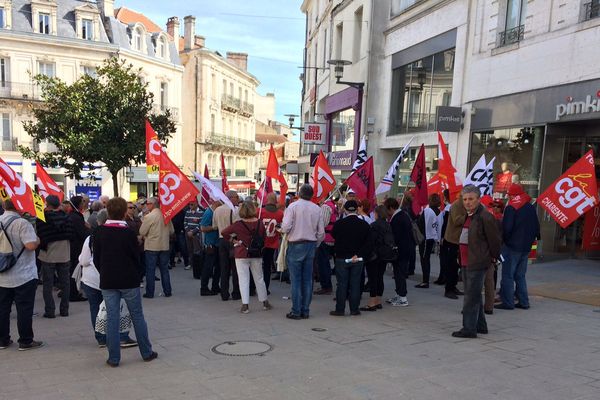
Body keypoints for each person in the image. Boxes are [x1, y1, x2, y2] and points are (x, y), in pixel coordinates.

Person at [93, 197, 157, 366]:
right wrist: (137, 273)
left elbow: (96, 258)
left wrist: (105, 271)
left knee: (112, 318)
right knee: (137, 315)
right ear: (123, 212)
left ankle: (114, 358)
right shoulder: (128, 232)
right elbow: (136, 256)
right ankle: (146, 352)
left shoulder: (99, 232)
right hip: (129, 279)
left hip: (108, 280)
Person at [79, 209, 137, 348]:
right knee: (118, 308)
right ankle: (122, 336)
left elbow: (84, 260)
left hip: (93, 279)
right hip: (113, 278)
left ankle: (101, 338)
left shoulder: (91, 238)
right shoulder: (121, 234)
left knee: (96, 308)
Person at [452, 185, 502, 339]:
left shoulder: (485, 217)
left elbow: (495, 241)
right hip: (467, 262)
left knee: (471, 297)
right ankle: (480, 326)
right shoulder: (470, 214)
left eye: (471, 199)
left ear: (478, 199)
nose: (467, 202)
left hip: (477, 262)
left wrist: (493, 258)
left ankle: (469, 329)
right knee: (473, 295)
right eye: (465, 199)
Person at [0, 199, 42, 351]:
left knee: (3, 308)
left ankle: (2, 340)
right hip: (23, 274)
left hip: (2, 274)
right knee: (24, 308)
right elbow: (30, 245)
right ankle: (25, 340)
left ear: (4, 206)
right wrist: (37, 240)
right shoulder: (22, 223)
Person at [281, 184, 324, 320]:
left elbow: (286, 226)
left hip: (296, 244)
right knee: (307, 280)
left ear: (299, 193)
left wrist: (284, 231)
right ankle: (305, 310)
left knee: (296, 280)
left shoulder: (292, 207)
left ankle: (296, 310)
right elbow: (321, 232)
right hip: (310, 244)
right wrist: (315, 244)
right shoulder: (317, 208)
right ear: (311, 195)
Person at [496, 184, 540, 311]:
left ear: (511, 195)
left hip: (512, 247)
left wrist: (504, 241)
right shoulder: (530, 207)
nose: (508, 196)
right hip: (526, 247)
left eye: (508, 194)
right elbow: (537, 228)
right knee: (520, 275)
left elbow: (507, 228)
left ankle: (508, 302)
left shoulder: (511, 207)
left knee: (508, 275)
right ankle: (524, 302)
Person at [222, 201, 271, 313]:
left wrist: (234, 241)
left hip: (241, 253)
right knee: (259, 278)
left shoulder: (238, 224)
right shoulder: (259, 223)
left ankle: (245, 305)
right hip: (256, 253)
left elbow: (224, 232)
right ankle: (265, 302)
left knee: (243, 279)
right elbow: (264, 237)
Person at [329, 200, 372, 316]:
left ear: (346, 210)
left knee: (342, 284)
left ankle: (340, 309)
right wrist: (359, 254)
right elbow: (368, 243)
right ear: (357, 209)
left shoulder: (339, 223)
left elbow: (333, 235)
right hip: (357, 258)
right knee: (355, 284)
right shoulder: (364, 225)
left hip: (342, 257)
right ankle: (354, 309)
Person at [36, 195, 73, 318]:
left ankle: (50, 311)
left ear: (48, 204)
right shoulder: (67, 217)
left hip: (48, 254)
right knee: (65, 283)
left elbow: (40, 234)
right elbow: (71, 235)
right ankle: (64, 310)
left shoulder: (43, 218)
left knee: (48, 284)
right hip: (64, 253)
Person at [361, 205, 395, 311]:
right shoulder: (388, 225)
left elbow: (371, 242)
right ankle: (378, 301)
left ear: (377, 214)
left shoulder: (374, 225)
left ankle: (372, 303)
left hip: (374, 255)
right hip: (384, 255)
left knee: (373, 278)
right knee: (380, 277)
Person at [139, 197, 174, 298]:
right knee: (164, 269)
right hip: (164, 245)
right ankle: (167, 291)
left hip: (151, 246)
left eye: (148, 203)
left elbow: (142, 232)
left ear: (152, 205)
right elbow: (171, 231)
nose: (146, 205)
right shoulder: (166, 215)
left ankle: (150, 293)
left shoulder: (149, 217)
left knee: (150, 270)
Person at [213, 190, 241, 301]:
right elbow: (238, 226)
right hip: (232, 240)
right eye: (236, 197)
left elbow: (214, 226)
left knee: (224, 268)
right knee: (235, 269)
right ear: (231, 198)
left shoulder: (217, 210)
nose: (238, 199)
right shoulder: (235, 210)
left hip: (221, 240)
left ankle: (224, 294)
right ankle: (236, 293)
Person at [384, 197, 413, 307]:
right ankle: (399, 294)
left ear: (391, 208)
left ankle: (402, 297)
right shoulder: (402, 215)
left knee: (400, 273)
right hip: (405, 249)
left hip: (401, 251)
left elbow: (395, 236)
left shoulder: (398, 218)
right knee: (398, 273)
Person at [442, 193, 467, 300]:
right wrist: (468, 215)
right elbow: (456, 221)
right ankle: (449, 289)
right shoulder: (457, 205)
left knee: (456, 266)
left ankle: (453, 286)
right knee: (451, 266)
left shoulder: (464, 205)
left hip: (460, 240)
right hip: (452, 240)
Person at [415, 194, 442, 289]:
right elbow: (439, 226)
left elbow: (421, 223)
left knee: (424, 259)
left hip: (426, 237)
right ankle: (425, 280)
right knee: (426, 259)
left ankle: (425, 281)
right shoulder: (439, 211)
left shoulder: (427, 211)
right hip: (432, 238)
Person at [260, 193, 283, 292]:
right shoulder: (280, 213)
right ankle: (265, 288)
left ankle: (253, 288)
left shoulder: (260, 211)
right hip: (272, 242)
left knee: (255, 265)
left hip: (260, 243)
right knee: (267, 266)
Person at [68, 196, 90, 302]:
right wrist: (88, 229)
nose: (84, 204)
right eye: (83, 202)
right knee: (75, 271)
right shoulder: (76, 217)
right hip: (76, 247)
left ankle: (72, 291)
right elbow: (82, 233)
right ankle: (73, 293)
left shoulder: (75, 216)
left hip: (75, 246)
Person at [314, 196, 337, 295]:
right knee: (325, 262)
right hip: (331, 238)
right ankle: (327, 285)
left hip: (325, 239)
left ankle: (326, 286)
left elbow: (322, 224)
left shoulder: (325, 207)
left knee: (323, 263)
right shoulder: (332, 205)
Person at [200, 201, 221, 296]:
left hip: (217, 243)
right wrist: (214, 228)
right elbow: (203, 228)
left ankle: (215, 286)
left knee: (218, 267)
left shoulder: (215, 212)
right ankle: (204, 288)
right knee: (208, 267)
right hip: (210, 244)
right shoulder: (209, 212)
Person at [400, 193, 418, 276]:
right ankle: (411, 269)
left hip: (406, 232)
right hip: (412, 231)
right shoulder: (413, 207)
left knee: (406, 252)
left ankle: (406, 270)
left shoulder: (404, 208)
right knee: (412, 251)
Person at [184, 199, 204, 264]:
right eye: (189, 204)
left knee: (197, 249)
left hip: (196, 234)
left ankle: (197, 264)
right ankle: (191, 263)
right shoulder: (187, 212)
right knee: (189, 249)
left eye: (192, 204)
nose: (190, 206)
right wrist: (188, 231)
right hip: (188, 233)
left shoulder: (201, 212)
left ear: (196, 204)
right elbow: (185, 222)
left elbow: (201, 224)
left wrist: (193, 232)